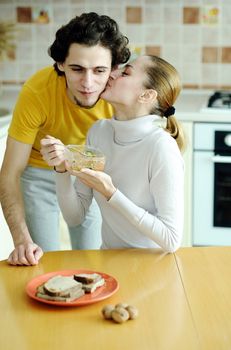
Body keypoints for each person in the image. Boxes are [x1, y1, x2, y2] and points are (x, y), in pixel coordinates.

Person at [0, 12, 130, 266]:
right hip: (39, 173)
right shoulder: (37, 92)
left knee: (92, 260)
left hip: (87, 174)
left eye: (99, 70)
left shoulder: (118, 97)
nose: (88, 83)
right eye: (77, 69)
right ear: (60, 64)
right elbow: (9, 173)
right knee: (42, 261)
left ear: (113, 69)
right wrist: (21, 241)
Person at [40, 55, 185, 253]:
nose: (111, 74)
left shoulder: (161, 147)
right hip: (108, 260)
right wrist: (61, 169)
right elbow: (75, 217)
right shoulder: (99, 131)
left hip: (152, 266)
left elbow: (171, 240)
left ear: (146, 96)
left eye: (125, 73)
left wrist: (112, 194)